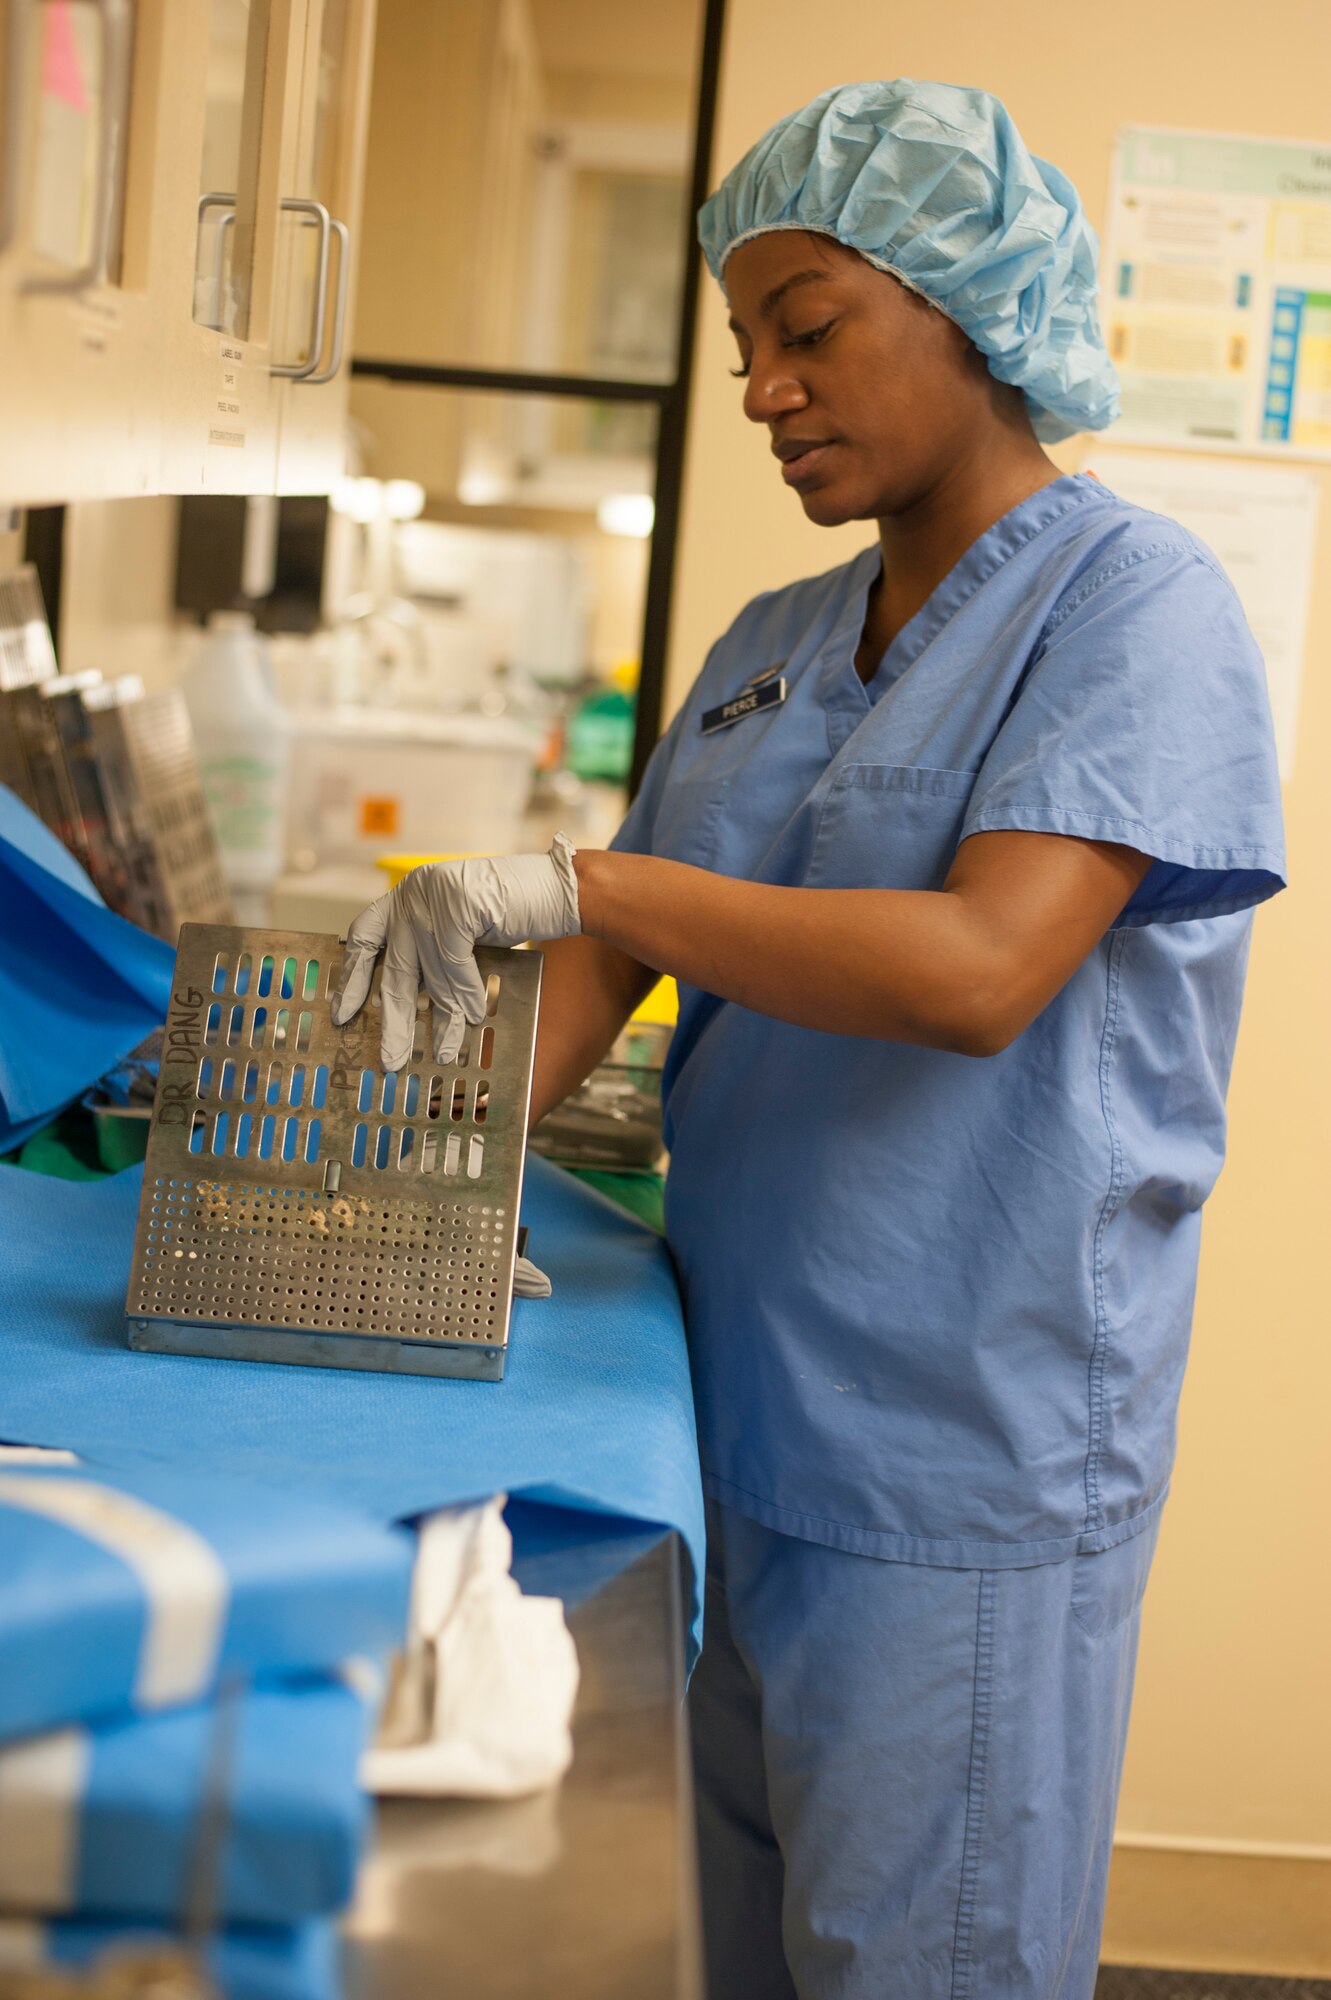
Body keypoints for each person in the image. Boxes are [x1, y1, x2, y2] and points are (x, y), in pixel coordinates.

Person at [332, 79, 1286, 2000]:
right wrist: (384, 1164)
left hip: (957, 1465)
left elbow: (977, 971)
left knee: (917, 1965)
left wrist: (591, 885)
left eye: (812, 327)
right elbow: (603, 976)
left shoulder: (1137, 610)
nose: (766, 386)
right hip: (726, 1422)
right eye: (745, 343)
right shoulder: (773, 634)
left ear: (968, 306)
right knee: (738, 1952)